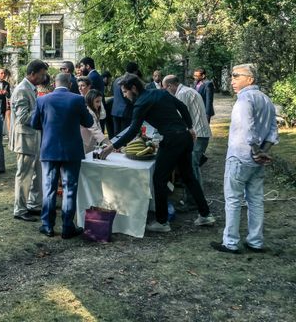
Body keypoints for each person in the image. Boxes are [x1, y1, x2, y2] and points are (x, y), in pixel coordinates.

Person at [99, 74, 216, 232]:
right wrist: (189, 127)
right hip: (184, 137)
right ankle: (205, 214)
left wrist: (111, 146)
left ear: (134, 88)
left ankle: (162, 222)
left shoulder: (140, 103)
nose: (125, 96)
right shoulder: (160, 92)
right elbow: (182, 107)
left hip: (171, 140)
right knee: (189, 177)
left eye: (125, 92)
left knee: (159, 179)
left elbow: (133, 129)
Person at [211, 64, 278, 254]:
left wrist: (257, 150)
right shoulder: (266, 99)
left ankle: (230, 243)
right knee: (255, 200)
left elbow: (248, 129)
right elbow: (273, 131)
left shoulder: (244, 99)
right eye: (231, 76)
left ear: (250, 79)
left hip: (240, 157)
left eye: (236, 76)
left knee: (233, 199)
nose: (231, 80)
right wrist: (263, 151)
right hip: (257, 160)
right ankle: (255, 241)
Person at [31, 73, 93, 238]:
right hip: (71, 150)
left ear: (54, 83)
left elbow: (34, 123)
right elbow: (89, 122)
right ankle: (67, 227)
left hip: (49, 149)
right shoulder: (77, 99)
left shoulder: (42, 100)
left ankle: (48, 226)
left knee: (49, 189)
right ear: (70, 84)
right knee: (69, 189)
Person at [162, 74, 211, 208]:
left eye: (165, 88)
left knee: (191, 167)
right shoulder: (187, 91)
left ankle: (193, 200)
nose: (165, 92)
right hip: (200, 133)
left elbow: (178, 118)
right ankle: (195, 198)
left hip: (198, 134)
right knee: (193, 166)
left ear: (171, 86)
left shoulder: (182, 94)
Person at [10, 59, 49, 222]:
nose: (44, 77)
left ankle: (33, 204)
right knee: (24, 175)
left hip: (33, 137)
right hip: (24, 139)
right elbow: (23, 117)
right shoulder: (22, 90)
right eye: (42, 74)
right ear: (32, 74)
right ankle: (20, 209)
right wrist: (42, 110)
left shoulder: (30, 88)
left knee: (35, 174)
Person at [111, 61, 140, 134]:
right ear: (135, 71)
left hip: (115, 110)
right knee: (125, 134)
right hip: (126, 111)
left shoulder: (116, 80)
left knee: (117, 135)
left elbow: (113, 93)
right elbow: (129, 97)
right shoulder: (129, 80)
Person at [81, 89, 110, 153]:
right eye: (97, 101)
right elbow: (95, 129)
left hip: (90, 143)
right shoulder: (87, 112)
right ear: (90, 101)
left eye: (100, 101)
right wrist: (108, 143)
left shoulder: (93, 110)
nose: (99, 104)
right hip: (85, 144)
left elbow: (98, 127)